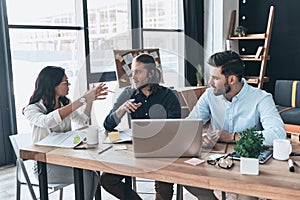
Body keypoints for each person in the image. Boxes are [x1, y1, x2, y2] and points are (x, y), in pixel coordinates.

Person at [184, 50, 286, 200]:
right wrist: (200, 136)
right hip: (216, 161)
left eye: (215, 78)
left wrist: (233, 137)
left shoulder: (261, 98)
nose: (210, 82)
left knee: (246, 197)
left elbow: (278, 134)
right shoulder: (209, 95)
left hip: (247, 165)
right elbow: (189, 125)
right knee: (189, 179)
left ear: (231, 79)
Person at [101, 53, 181, 200]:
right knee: (107, 180)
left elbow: (174, 128)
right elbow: (107, 124)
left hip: (161, 152)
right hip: (134, 152)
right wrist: (121, 109)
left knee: (164, 184)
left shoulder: (169, 95)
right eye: (132, 73)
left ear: (151, 73)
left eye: (138, 72)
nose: (134, 77)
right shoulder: (127, 93)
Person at [23, 66, 108, 200]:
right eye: (65, 82)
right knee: (86, 175)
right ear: (53, 84)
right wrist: (82, 100)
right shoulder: (32, 109)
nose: (68, 85)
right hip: (45, 166)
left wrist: (89, 101)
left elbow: (82, 121)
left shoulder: (65, 103)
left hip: (65, 159)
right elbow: (47, 121)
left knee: (93, 174)